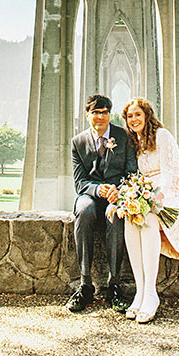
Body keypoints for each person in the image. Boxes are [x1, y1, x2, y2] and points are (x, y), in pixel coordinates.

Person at [122, 97, 179, 323]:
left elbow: (168, 173)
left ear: (146, 115)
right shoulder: (135, 142)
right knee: (130, 218)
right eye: (129, 116)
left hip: (174, 190)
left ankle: (151, 294)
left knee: (147, 217)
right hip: (147, 191)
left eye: (137, 114)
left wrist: (155, 196)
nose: (134, 119)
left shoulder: (161, 136)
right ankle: (140, 290)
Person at [67, 93, 137, 313]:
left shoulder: (123, 137)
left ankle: (114, 285)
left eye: (104, 113)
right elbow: (80, 183)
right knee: (84, 211)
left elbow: (131, 171)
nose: (100, 117)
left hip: (117, 195)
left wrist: (120, 191)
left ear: (109, 114)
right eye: (95, 113)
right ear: (87, 115)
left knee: (115, 214)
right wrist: (98, 189)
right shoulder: (78, 142)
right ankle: (85, 285)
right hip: (90, 195)